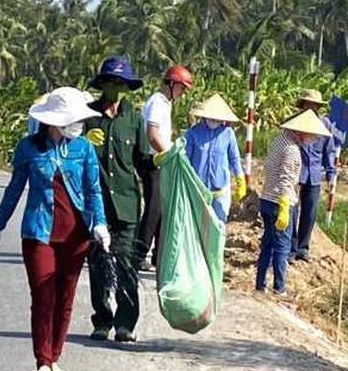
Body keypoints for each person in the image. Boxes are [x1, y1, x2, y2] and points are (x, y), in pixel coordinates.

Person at [0, 87, 109, 371]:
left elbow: (93, 190)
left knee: (65, 298)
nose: (79, 124)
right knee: (43, 295)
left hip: (76, 236)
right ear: (54, 121)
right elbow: (14, 189)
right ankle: (42, 362)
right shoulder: (28, 148)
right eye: (73, 118)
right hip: (38, 233)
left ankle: (55, 357)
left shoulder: (83, 149)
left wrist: (100, 224)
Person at [82, 56, 149, 343]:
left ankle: (125, 323)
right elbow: (72, 156)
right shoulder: (87, 117)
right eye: (111, 82)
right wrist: (83, 142)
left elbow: (145, 163)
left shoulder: (134, 120)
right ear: (103, 84)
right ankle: (102, 320)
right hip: (96, 208)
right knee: (98, 264)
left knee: (125, 264)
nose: (115, 88)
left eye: (121, 83)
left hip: (127, 205)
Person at [256, 110, 331, 296]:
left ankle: (260, 283)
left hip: (266, 198)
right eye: (312, 134)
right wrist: (283, 205)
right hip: (280, 202)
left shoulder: (278, 141)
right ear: (303, 132)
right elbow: (286, 179)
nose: (313, 138)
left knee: (267, 242)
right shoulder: (292, 150)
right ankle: (279, 288)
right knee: (282, 246)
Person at [137, 65, 193, 270]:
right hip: (153, 161)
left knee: (164, 209)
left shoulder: (165, 103)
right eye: (182, 88)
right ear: (172, 84)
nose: (182, 93)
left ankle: (159, 256)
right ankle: (140, 252)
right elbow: (152, 134)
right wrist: (168, 156)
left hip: (161, 160)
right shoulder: (157, 103)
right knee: (154, 208)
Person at [184, 94, 246, 223]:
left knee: (218, 226)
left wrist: (240, 178)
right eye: (211, 117)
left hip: (220, 191)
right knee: (197, 227)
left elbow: (234, 158)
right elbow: (186, 160)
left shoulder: (228, 134)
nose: (214, 121)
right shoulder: (192, 133)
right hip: (198, 190)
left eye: (217, 118)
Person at [291, 90, 336, 263]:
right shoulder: (295, 123)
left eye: (314, 104)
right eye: (308, 103)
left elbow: (329, 152)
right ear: (302, 105)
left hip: (314, 175)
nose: (311, 107)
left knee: (310, 213)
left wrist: (331, 175)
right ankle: (291, 248)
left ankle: (303, 248)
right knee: (292, 211)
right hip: (296, 173)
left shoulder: (324, 125)